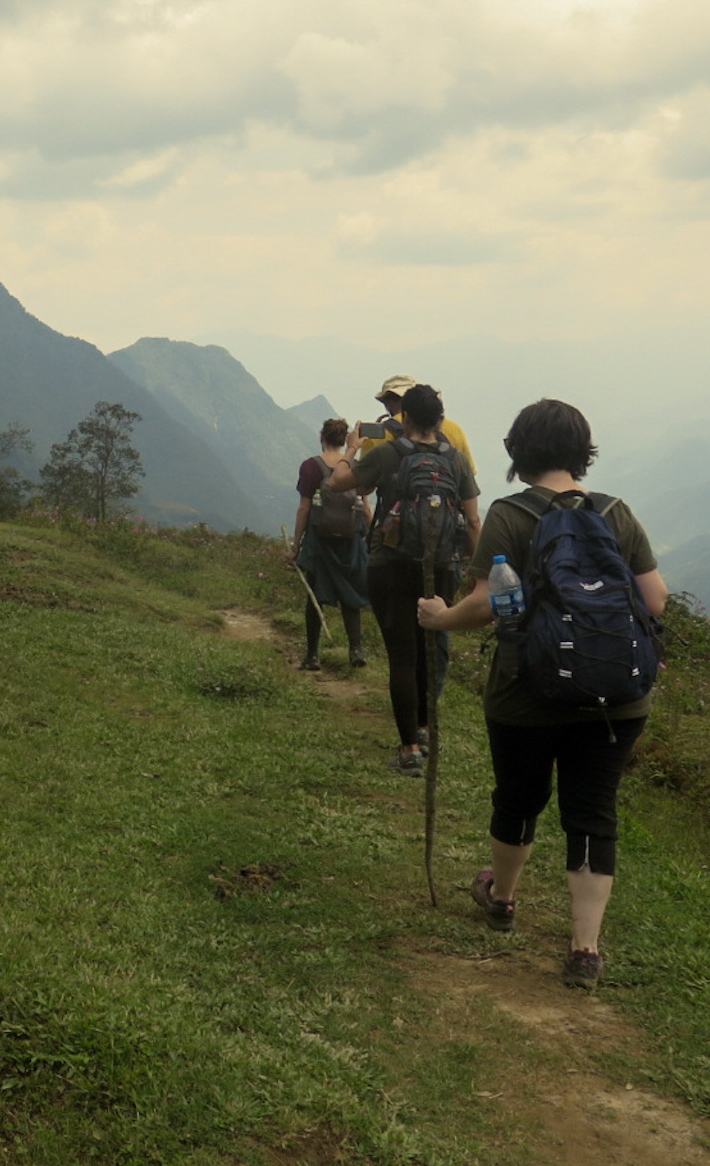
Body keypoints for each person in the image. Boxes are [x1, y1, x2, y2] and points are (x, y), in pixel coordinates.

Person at [416, 398, 668, 991]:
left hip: (525, 693)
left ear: (518, 452)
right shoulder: (615, 512)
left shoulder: (510, 515)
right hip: (615, 698)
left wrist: (440, 618)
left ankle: (502, 899)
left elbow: (485, 604)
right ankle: (585, 949)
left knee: (519, 798)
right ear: (583, 452)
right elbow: (655, 601)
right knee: (592, 813)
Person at [326, 383, 479, 776]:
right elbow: (473, 520)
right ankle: (425, 729)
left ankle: (410, 749)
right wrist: (477, 574)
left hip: (390, 565)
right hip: (441, 567)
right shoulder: (456, 461)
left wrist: (351, 449)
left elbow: (337, 483)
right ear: (440, 419)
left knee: (403, 656)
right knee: (430, 647)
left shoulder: (389, 453)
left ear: (404, 417)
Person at [285, 418, 370, 673]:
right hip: (351, 541)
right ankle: (356, 650)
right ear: (345, 440)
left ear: (322, 436)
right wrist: (371, 536)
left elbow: (304, 508)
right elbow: (365, 506)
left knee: (314, 596)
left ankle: (312, 656)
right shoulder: (354, 466)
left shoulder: (311, 466)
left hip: (319, 540)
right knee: (350, 596)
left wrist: (296, 546)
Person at [360, 375, 478, 476]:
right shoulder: (454, 429)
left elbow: (363, 487)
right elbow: (469, 474)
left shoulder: (379, 434)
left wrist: (352, 447)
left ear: (387, 403)